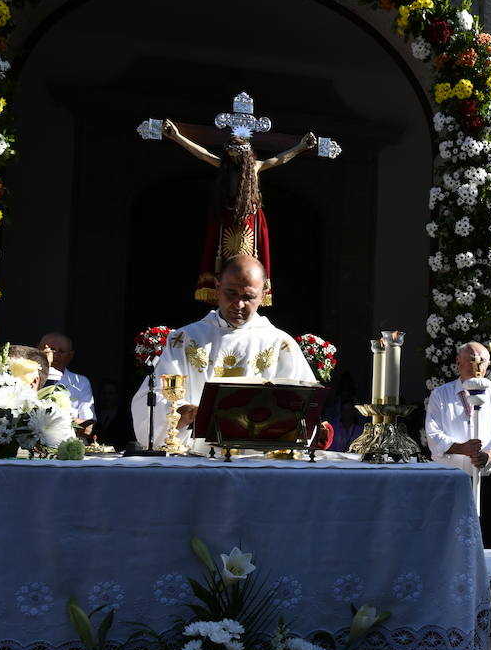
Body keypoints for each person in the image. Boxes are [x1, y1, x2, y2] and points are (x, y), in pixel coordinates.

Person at [132, 254, 314, 452]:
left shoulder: (281, 345)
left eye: (248, 297)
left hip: (258, 461)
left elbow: (306, 406)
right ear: (217, 287)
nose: (238, 304)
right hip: (197, 458)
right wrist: (187, 413)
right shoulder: (184, 340)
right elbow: (152, 398)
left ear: (264, 293)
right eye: (231, 293)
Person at [162, 120, 318, 305]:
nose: (233, 158)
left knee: (249, 255)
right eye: (230, 154)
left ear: (245, 155)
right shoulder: (224, 167)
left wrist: (300, 147)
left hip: (250, 217)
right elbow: (203, 154)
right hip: (227, 216)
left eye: (236, 154)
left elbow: (279, 159)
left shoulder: (255, 167)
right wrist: (178, 137)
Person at [425, 342, 491, 547]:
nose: (478, 364)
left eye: (483, 360)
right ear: (458, 363)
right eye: (472, 359)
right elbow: (433, 434)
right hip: (451, 482)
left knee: (488, 540)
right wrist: (462, 448)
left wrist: (489, 454)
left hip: (487, 480)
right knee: (449, 540)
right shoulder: (441, 395)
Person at [39, 332, 95, 433]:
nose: (55, 354)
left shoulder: (81, 382)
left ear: (70, 355)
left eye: (61, 351)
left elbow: (87, 429)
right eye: (50, 349)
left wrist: (53, 419)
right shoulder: (27, 377)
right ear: (38, 350)